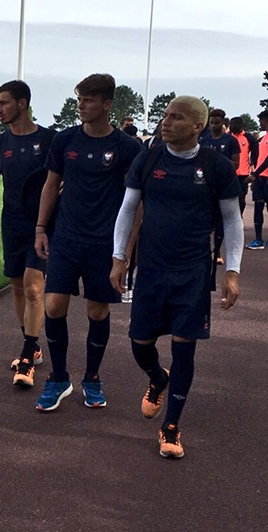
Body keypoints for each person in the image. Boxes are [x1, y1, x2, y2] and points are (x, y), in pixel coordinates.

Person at [111, 95, 242, 458]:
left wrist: (232, 272)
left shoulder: (215, 166)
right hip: (151, 268)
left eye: (176, 118)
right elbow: (128, 208)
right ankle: (157, 378)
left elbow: (231, 220)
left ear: (197, 126)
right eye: (165, 116)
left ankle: (171, 426)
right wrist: (119, 258)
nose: (165, 122)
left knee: (185, 348)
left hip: (193, 272)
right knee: (140, 343)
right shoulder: (148, 157)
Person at [33, 73, 144, 411]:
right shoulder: (65, 140)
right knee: (53, 306)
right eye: (79, 99)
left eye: (89, 100)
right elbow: (51, 185)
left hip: (104, 243)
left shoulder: (126, 147)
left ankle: (92, 378)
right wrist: (40, 228)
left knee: (97, 310)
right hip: (66, 237)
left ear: (107, 104)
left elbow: (136, 202)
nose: (81, 105)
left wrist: (124, 252)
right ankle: (58, 377)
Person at [0, 80, 56, 387]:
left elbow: (60, 181)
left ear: (22, 103)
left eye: (3, 103)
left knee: (33, 287)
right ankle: (32, 341)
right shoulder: (0, 144)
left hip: (42, 225)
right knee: (18, 287)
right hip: (11, 223)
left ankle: (27, 356)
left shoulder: (50, 140)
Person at [199, 109, 240, 265]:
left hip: (222, 187)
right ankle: (205, 251)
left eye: (217, 123)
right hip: (205, 186)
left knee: (222, 222)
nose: (214, 126)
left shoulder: (230, 141)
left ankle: (218, 251)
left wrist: (218, 161)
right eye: (211, 123)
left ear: (223, 123)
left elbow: (235, 163)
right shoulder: (204, 140)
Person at [245, 110, 268, 249]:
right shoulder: (263, 138)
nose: (260, 123)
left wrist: (255, 174)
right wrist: (256, 177)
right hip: (260, 178)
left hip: (264, 176)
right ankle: (258, 239)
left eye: (262, 120)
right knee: (258, 206)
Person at [228, 116, 259, 215]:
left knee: (241, 198)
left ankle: (239, 216)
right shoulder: (227, 137)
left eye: (234, 124)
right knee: (229, 198)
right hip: (229, 173)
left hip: (243, 174)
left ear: (240, 125)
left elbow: (255, 155)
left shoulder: (249, 138)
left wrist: (254, 170)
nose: (232, 126)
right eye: (230, 124)